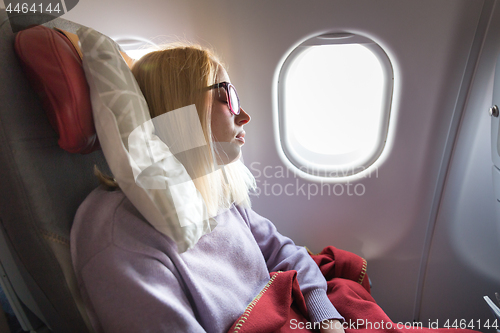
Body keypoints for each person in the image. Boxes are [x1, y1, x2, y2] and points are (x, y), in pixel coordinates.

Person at [71, 43, 345, 333]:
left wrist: (325, 317)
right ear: (180, 107)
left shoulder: (217, 196)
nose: (244, 116)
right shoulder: (122, 236)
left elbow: (283, 251)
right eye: (228, 96)